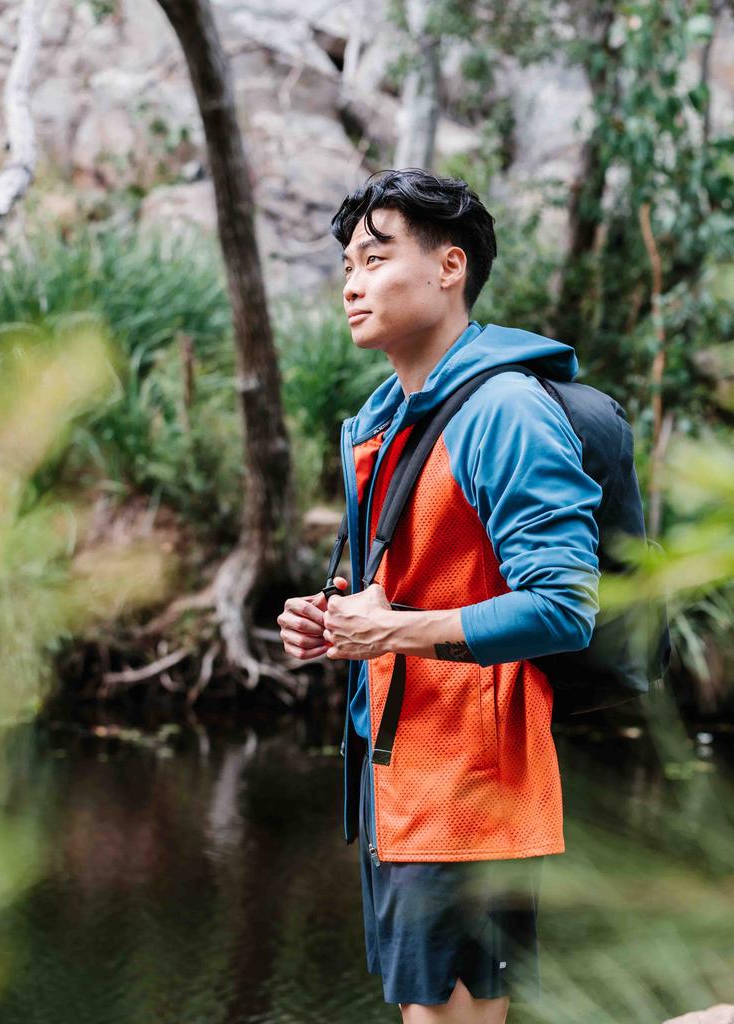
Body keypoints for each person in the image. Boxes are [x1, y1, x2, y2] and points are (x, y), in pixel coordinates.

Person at [277, 168, 602, 1023]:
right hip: (398, 771)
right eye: (347, 264)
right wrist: (338, 619)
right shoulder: (386, 418)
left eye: (376, 259)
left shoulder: (505, 410)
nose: (352, 283)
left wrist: (394, 630)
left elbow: (565, 607)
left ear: (450, 266)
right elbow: (400, 586)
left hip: (472, 778)